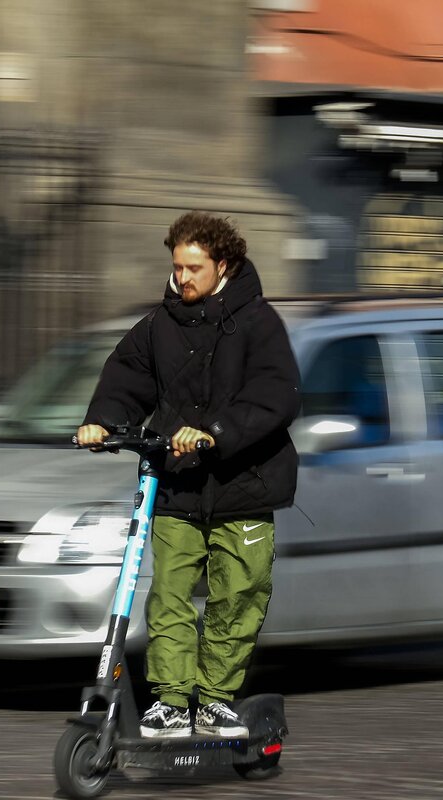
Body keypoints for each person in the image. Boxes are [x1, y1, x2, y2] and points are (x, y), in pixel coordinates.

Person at [76, 211, 300, 739]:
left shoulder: (259, 322)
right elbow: (126, 376)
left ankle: (216, 698)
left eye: (194, 268)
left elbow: (276, 395)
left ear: (223, 264)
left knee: (238, 595)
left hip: (245, 483)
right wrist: (101, 422)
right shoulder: (159, 325)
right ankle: (173, 701)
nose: (183, 279)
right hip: (177, 483)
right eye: (177, 268)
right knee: (169, 595)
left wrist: (214, 430)